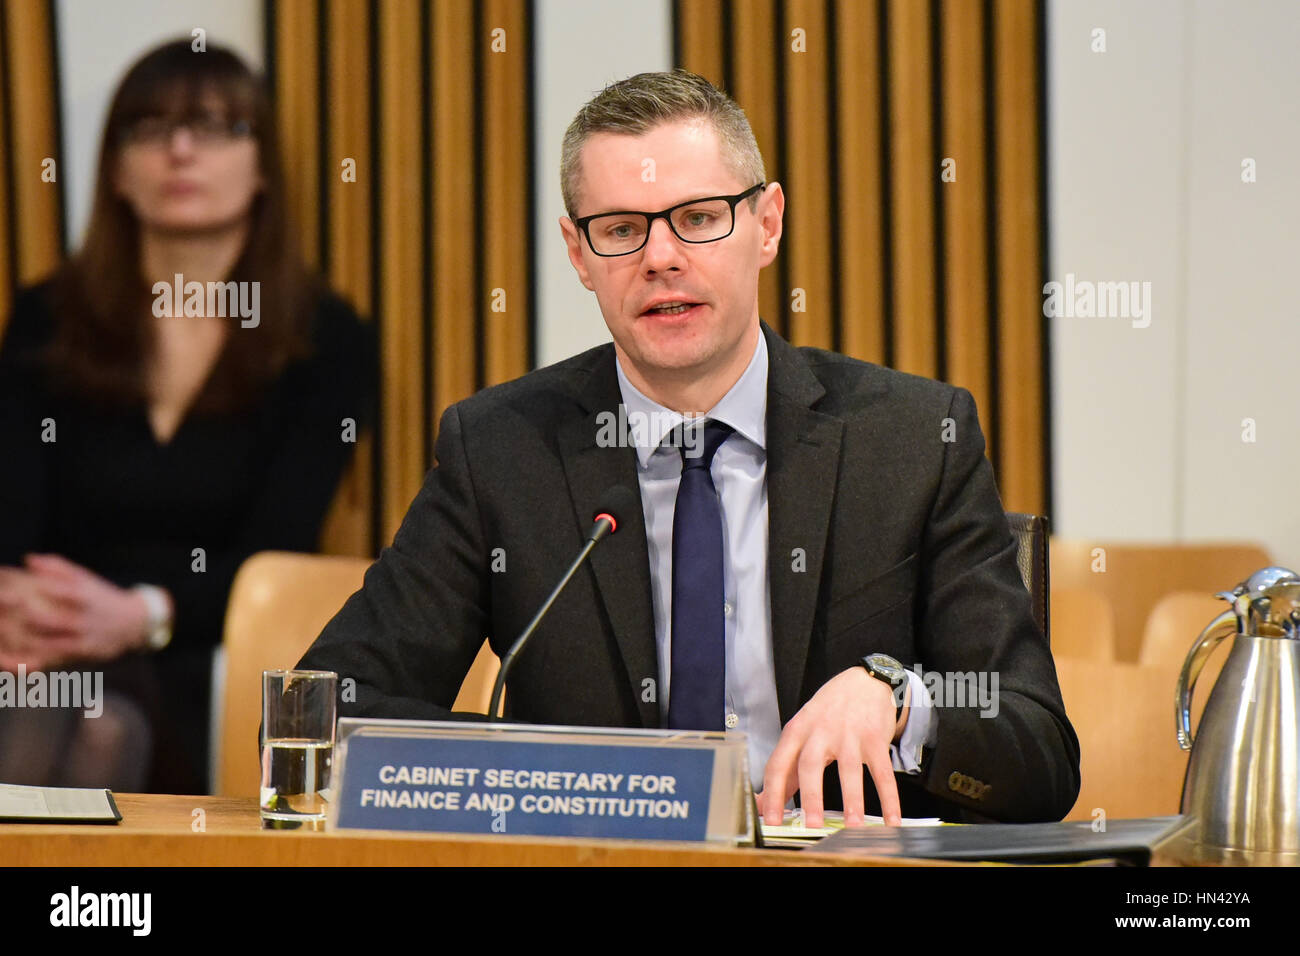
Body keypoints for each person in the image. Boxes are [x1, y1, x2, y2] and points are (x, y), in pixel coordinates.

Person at [298, 70, 1079, 824]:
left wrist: (901, 699)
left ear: (767, 224)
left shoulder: (911, 440)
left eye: (700, 218)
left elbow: (1038, 745)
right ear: (578, 254)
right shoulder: (504, 451)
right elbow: (326, 706)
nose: (661, 256)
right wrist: (546, 770)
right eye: (621, 230)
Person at [0, 39, 375, 794]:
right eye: (149, 128)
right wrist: (39, 612)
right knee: (65, 704)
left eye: (213, 127)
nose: (178, 151)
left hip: (205, 659)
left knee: (99, 723)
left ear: (262, 165)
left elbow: (278, 553)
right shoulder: (49, 317)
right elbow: (12, 522)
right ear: (114, 168)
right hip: (40, 648)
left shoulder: (323, 339)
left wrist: (139, 613)